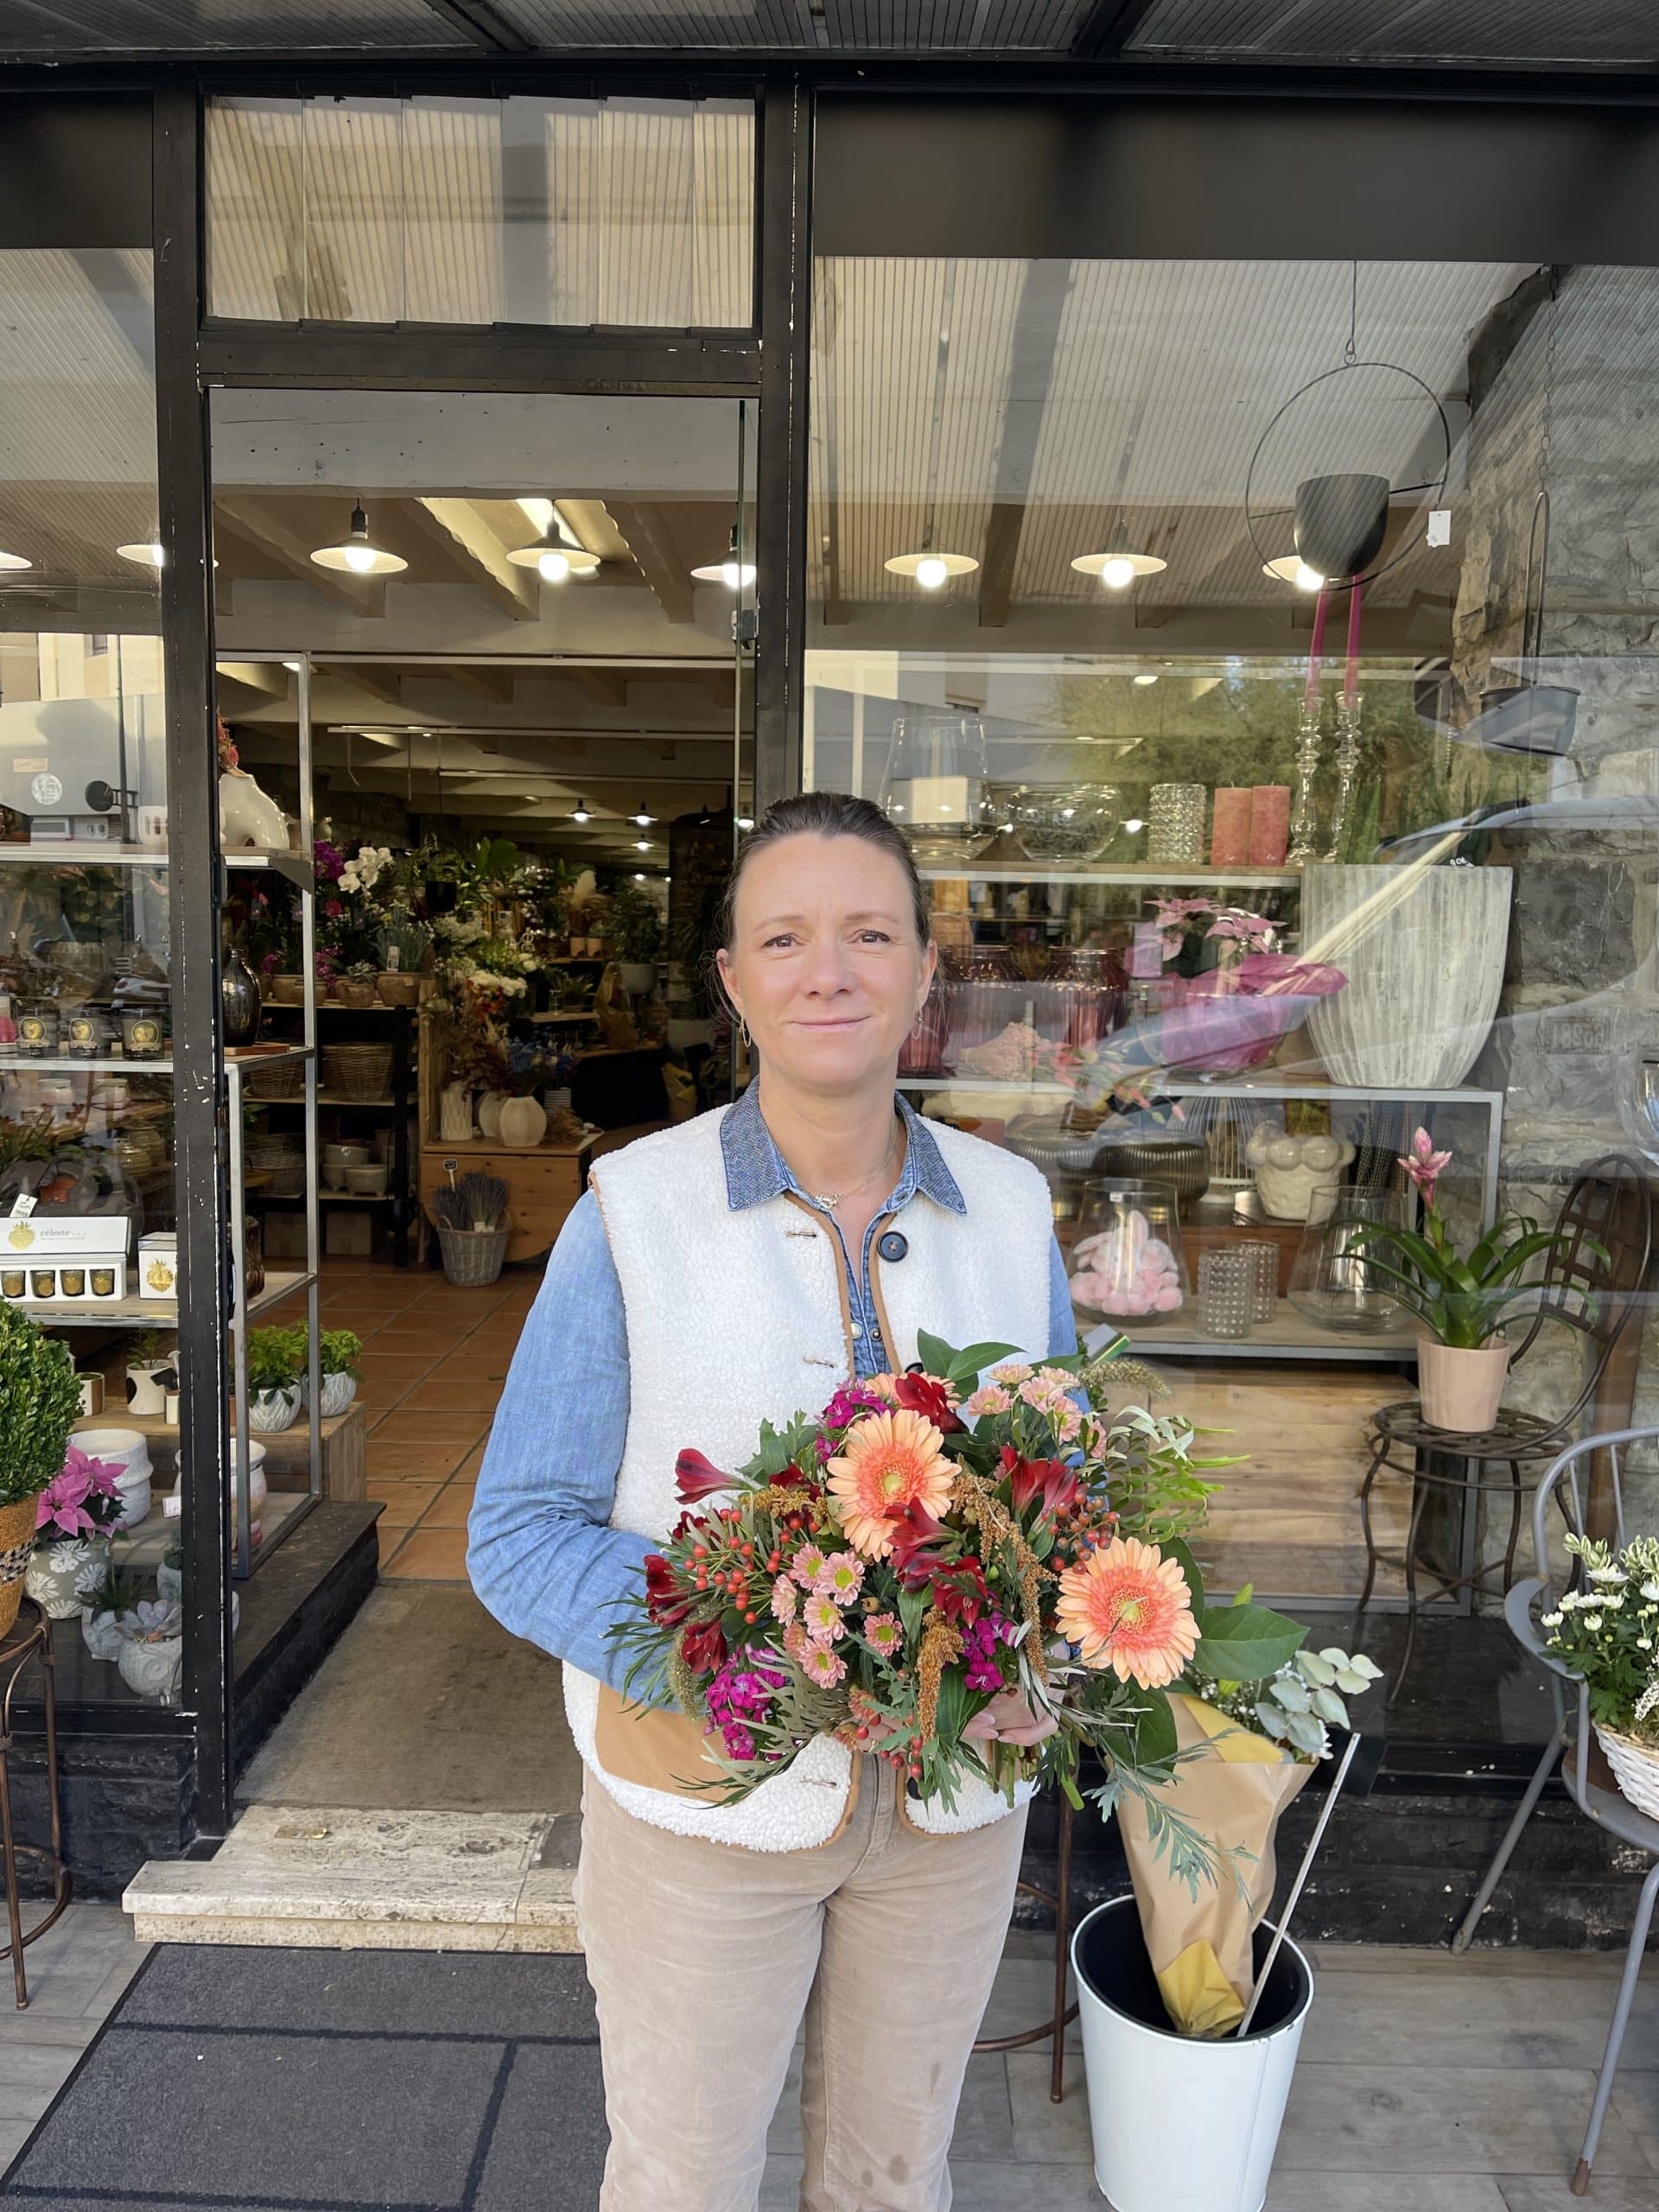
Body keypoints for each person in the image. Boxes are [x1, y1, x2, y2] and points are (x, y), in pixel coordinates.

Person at [469, 791, 1076, 2212]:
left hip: (952, 1806)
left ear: (928, 971)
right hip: (705, 1808)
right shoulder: (630, 1209)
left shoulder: (1013, 1205)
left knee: (892, 2170)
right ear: (735, 981)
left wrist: (1035, 1659)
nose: (832, 971)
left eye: (871, 934)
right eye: (786, 938)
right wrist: (757, 1661)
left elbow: (1067, 1490)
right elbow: (517, 1534)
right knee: (684, 2176)